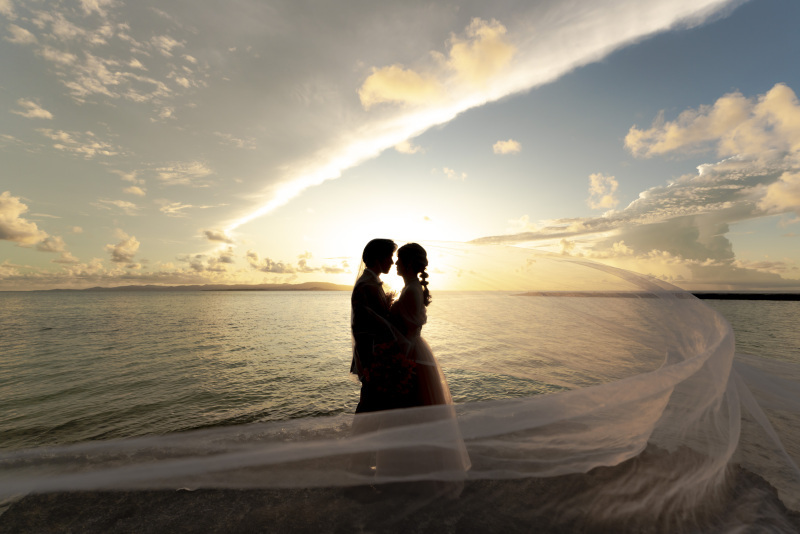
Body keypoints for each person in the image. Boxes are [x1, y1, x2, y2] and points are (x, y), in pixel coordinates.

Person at [390, 243, 452, 406]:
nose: (396, 264)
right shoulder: (410, 287)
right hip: (412, 349)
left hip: (412, 354)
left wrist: (403, 363)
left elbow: (410, 331)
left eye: (399, 260)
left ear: (408, 263)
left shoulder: (411, 290)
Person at [350, 238, 398, 413]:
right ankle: (360, 438)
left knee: (375, 405)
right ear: (379, 258)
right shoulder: (366, 285)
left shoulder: (372, 283)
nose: (393, 262)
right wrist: (367, 366)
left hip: (378, 357)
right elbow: (360, 329)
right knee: (369, 405)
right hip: (372, 359)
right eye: (390, 257)